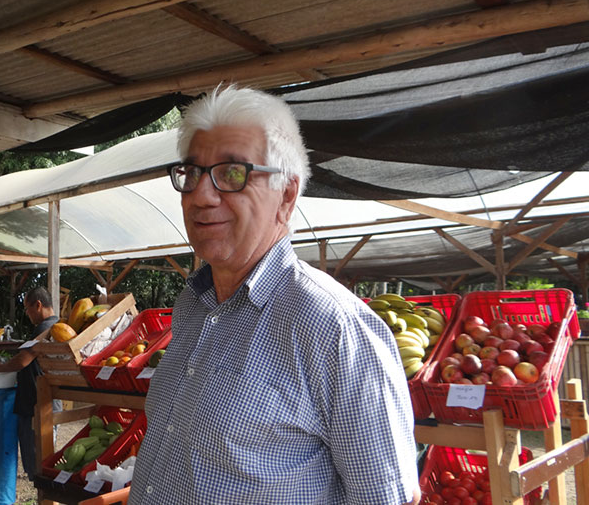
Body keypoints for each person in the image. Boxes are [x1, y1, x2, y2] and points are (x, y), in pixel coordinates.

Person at [128, 86, 421, 504]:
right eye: (191, 174)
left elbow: (385, 497)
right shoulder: (192, 306)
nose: (201, 196)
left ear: (286, 195)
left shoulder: (334, 327)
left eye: (232, 173)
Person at [0, 286, 62, 481]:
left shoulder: (45, 328)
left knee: (38, 465)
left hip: (36, 405)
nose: (27, 314)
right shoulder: (58, 326)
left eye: (27, 309)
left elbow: (23, 360)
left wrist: (1, 368)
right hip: (48, 403)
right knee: (44, 459)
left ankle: (43, 495)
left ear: (38, 305)